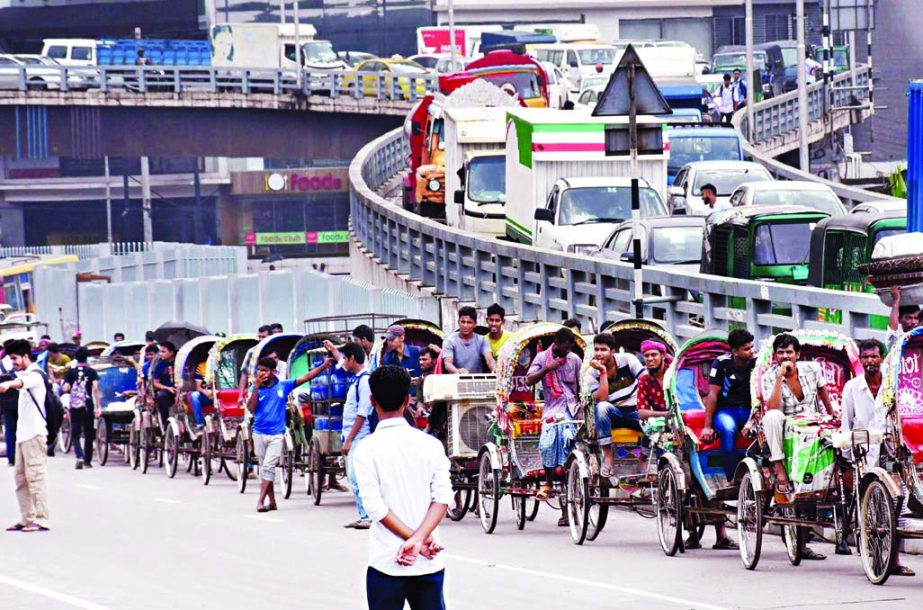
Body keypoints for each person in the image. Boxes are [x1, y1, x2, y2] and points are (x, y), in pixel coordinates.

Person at [354, 366, 452, 609]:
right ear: (407, 400)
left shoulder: (366, 449)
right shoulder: (430, 446)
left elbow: (375, 508)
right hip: (428, 561)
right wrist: (420, 539)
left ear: (372, 400)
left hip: (386, 560)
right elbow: (442, 498)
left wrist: (414, 540)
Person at [760, 333, 833, 561]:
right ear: (775, 356)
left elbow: (822, 391)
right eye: (781, 353)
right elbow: (772, 406)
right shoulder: (770, 376)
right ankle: (779, 468)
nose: (785, 356)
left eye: (789, 352)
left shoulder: (812, 369)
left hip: (809, 422)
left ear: (797, 354)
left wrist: (831, 414)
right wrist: (781, 378)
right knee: (771, 417)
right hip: (783, 426)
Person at [247, 355, 332, 512]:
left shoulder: (283, 386)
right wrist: (257, 387)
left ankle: (260, 501)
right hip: (258, 432)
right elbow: (251, 408)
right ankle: (271, 501)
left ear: (273, 371)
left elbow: (305, 377)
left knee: (268, 466)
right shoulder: (254, 388)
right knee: (266, 468)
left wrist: (323, 366)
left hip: (277, 434)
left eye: (264, 370)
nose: (261, 373)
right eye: (259, 370)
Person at [526, 327, 582, 524]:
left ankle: (567, 511)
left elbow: (580, 383)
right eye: (566, 347)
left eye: (571, 348)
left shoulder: (574, 359)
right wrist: (548, 368)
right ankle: (549, 483)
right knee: (546, 445)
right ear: (557, 343)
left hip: (572, 409)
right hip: (552, 409)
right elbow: (529, 380)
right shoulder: (542, 358)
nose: (568, 351)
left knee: (570, 447)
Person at [1, 339, 50, 532]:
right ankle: (26, 517)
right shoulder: (24, 374)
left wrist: (8, 385)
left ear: (25, 356)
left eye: (15, 358)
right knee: (20, 479)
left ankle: (42, 519)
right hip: (22, 435)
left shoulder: (36, 374)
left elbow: (22, 383)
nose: (13, 362)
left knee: (36, 476)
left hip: (35, 434)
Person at [587, 333, 645, 477]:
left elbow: (644, 380)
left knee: (654, 423)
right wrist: (602, 372)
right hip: (613, 413)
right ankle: (608, 455)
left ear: (612, 351)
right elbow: (603, 399)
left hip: (634, 410)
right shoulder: (591, 372)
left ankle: (644, 458)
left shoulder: (628, 359)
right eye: (597, 349)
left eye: (603, 350)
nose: (599, 353)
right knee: (601, 408)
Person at [702, 328, 756, 479]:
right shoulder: (721, 363)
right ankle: (733, 478)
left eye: (752, 347)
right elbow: (713, 394)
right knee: (728, 429)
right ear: (735, 351)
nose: (751, 351)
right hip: (726, 411)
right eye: (747, 349)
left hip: (749, 411)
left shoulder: (757, 362)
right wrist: (707, 426)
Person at [341, 342, 374, 529]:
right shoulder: (357, 379)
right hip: (353, 436)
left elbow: (363, 413)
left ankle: (367, 516)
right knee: (354, 477)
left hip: (359, 437)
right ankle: (364, 515)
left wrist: (350, 439)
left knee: (357, 477)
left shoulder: (364, 381)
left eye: (345, 359)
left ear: (352, 359)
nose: (343, 362)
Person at [61, 347, 102, 470]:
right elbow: (95, 389)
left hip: (75, 406)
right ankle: (87, 461)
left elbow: (65, 389)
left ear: (75, 358)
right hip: (87, 405)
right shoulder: (91, 372)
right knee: (89, 433)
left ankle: (79, 455)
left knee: (75, 432)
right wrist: (98, 406)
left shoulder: (71, 372)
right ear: (87, 357)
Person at [442, 307, 495, 374]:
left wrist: (494, 369)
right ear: (458, 322)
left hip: (477, 380)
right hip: (456, 379)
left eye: (469, 322)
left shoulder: (482, 340)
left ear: (475, 324)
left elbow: (489, 359)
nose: (465, 325)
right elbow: (448, 364)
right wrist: (457, 371)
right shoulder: (449, 340)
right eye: (463, 322)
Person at [237, 325, 272, 407]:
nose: (261, 339)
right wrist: (240, 396)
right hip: (255, 390)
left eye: (264, 337)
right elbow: (244, 374)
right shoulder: (251, 352)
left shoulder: (274, 352)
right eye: (259, 337)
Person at [886, 286, 920, 353]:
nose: (913, 322)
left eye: (916, 318)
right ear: (899, 320)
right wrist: (896, 299)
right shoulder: (897, 341)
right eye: (909, 318)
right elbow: (892, 328)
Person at [1, 343, 19, 466]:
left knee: (10, 429)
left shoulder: (1, 363)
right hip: (20, 399)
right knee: (22, 429)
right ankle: (21, 456)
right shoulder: (18, 363)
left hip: (6, 401)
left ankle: (11, 458)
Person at [151, 341, 177, 427]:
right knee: (161, 396)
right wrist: (168, 388)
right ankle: (165, 423)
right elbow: (156, 383)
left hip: (180, 390)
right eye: (160, 352)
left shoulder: (179, 363)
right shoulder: (160, 365)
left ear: (172, 352)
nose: (161, 354)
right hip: (167, 391)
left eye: (164, 352)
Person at [189, 360, 212, 428]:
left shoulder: (226, 365)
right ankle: (200, 424)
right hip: (206, 396)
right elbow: (198, 387)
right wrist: (208, 394)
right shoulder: (202, 366)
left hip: (221, 394)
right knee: (194, 396)